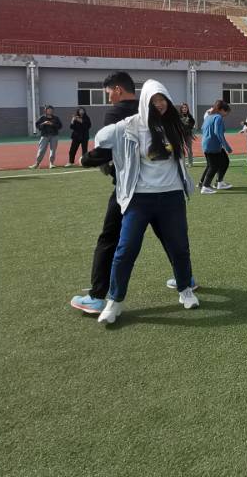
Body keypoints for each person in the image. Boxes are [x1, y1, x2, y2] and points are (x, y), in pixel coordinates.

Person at [70, 72, 197, 315]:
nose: (109, 97)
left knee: (115, 240)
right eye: (154, 100)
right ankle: (115, 299)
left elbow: (106, 151)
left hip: (146, 192)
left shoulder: (129, 115)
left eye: (109, 92)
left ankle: (98, 296)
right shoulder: (132, 120)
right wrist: (91, 158)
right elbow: (109, 141)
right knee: (139, 244)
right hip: (138, 192)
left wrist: (93, 160)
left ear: (118, 89)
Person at [199, 100, 234, 194]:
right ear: (221, 110)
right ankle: (205, 187)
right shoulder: (218, 117)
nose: (227, 114)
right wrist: (227, 147)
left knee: (224, 161)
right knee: (213, 166)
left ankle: (219, 182)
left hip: (207, 144)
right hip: (212, 145)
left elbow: (202, 128)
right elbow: (218, 133)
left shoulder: (209, 116)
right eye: (226, 112)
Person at [179, 103, 196, 167]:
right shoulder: (179, 116)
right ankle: (182, 163)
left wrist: (189, 128)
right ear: (181, 109)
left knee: (189, 149)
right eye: (183, 107)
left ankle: (190, 162)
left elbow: (192, 123)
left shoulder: (190, 116)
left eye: (185, 107)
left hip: (188, 135)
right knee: (181, 149)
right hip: (180, 135)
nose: (184, 109)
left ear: (187, 108)